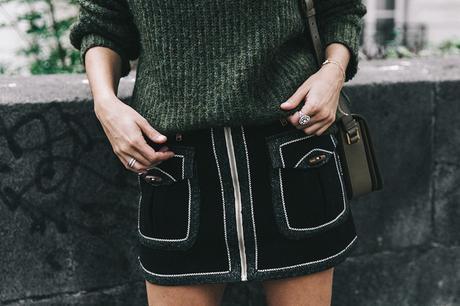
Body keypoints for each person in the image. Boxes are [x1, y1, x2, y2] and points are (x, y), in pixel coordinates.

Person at [69, 0, 367, 305]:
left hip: (293, 156)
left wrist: (333, 72)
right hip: (177, 170)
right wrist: (105, 104)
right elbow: (102, 25)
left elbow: (341, 9)